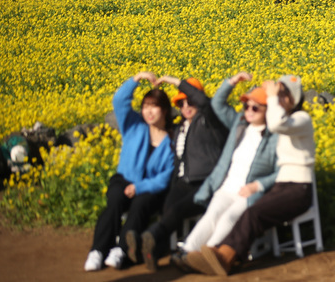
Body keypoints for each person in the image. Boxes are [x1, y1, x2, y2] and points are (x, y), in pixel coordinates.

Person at [184, 75, 315, 276]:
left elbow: (276, 124)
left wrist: (270, 97)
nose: (277, 98)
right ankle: (221, 255)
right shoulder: (269, 122)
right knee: (249, 213)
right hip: (282, 186)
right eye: (278, 93)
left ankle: (225, 257)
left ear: (294, 99)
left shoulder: (301, 119)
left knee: (253, 213)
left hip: (298, 188)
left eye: (283, 95)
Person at [170, 75, 279, 271]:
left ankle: (207, 254)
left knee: (229, 217)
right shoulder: (239, 124)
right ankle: (187, 252)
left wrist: (257, 186)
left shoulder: (275, 137)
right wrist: (232, 82)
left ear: (268, 110)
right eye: (247, 106)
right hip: (227, 186)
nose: (249, 111)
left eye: (255, 107)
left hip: (248, 192)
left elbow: (281, 171)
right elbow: (217, 104)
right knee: (212, 214)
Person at [131, 76, 229, 271]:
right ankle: (155, 252)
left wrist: (174, 81)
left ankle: (148, 238)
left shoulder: (210, 122)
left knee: (176, 211)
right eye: (181, 103)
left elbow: (203, 101)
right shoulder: (181, 128)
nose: (186, 106)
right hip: (183, 183)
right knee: (167, 208)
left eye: (189, 101)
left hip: (206, 182)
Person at [84, 72, 174, 272]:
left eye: (154, 107)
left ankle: (120, 249)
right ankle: (97, 251)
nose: (149, 112)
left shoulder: (170, 143)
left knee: (141, 204)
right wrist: (137, 78)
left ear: (165, 110)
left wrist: (139, 187)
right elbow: (119, 100)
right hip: (123, 179)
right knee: (115, 200)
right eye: (145, 107)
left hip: (148, 187)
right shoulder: (134, 126)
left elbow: (165, 177)